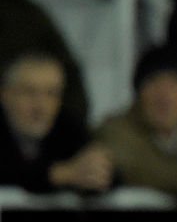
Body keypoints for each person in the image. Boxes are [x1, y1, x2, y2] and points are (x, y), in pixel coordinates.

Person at [95, 45, 177, 210]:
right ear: (138, 91)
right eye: (154, 82)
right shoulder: (115, 131)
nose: (164, 95)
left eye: (175, 82)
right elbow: (131, 172)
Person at [0, 51, 113, 194]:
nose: (41, 106)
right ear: (5, 95)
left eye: (51, 93)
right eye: (29, 92)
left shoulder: (67, 125)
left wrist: (98, 170)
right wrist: (58, 175)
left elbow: (111, 179)